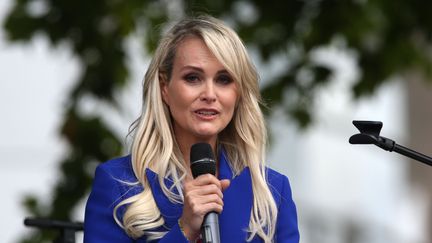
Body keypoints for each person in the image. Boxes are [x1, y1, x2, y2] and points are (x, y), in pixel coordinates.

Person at [84, 15, 299, 243]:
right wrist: (185, 229)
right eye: (193, 78)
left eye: (224, 79)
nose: (209, 94)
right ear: (165, 87)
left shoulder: (272, 191)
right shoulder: (118, 184)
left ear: (238, 94)